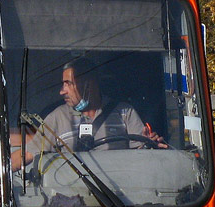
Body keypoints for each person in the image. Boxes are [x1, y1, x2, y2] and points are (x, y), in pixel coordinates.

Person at [16, 58, 153, 167]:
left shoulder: (124, 112)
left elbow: (142, 158)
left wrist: (150, 144)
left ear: (89, 84)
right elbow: (28, 154)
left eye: (68, 83)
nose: (62, 91)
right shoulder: (58, 117)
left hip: (119, 196)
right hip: (75, 196)